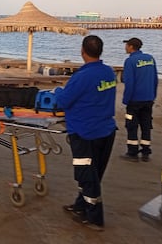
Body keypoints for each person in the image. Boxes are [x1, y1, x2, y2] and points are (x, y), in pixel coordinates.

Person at [55, 35, 117, 231]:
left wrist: (57, 91)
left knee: (86, 175)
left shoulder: (81, 77)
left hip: (85, 133)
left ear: (82, 51)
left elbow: (63, 101)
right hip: (105, 131)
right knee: (93, 174)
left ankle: (95, 217)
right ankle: (81, 205)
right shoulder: (108, 72)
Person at [121, 37, 158, 162]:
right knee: (146, 124)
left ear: (131, 47)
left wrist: (126, 100)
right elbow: (155, 79)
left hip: (135, 100)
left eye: (126, 45)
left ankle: (132, 152)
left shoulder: (130, 61)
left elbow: (129, 82)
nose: (125, 47)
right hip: (148, 99)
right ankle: (146, 151)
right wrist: (153, 95)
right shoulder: (150, 58)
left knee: (131, 125)